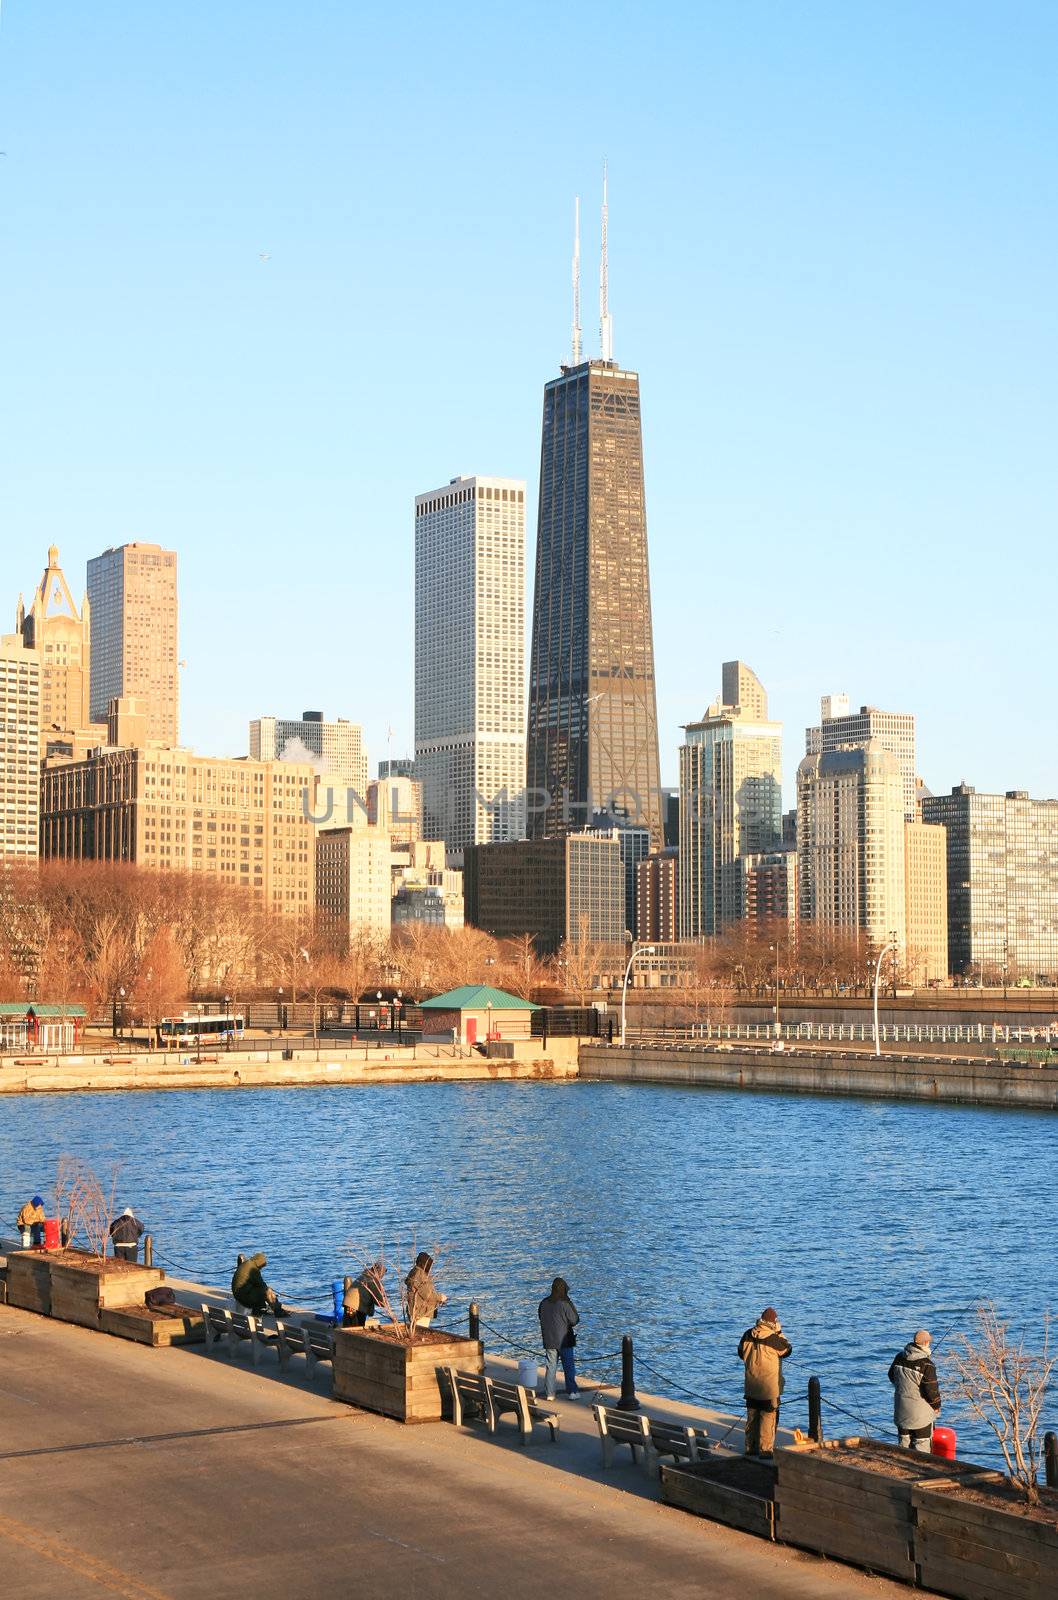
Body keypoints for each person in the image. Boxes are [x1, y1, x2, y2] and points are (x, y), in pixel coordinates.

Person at [738, 1306, 792, 1457]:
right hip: (769, 1388)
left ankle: (750, 1448)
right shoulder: (773, 1338)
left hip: (751, 1385)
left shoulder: (747, 1334)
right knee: (768, 1419)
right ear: (773, 1322)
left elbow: (740, 1353)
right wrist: (780, 1332)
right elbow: (787, 1350)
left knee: (752, 1417)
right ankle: (765, 1450)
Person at [889, 1329, 942, 1452]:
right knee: (921, 1450)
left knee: (903, 1447)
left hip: (901, 1412)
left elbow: (891, 1376)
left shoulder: (899, 1357)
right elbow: (931, 1391)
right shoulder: (927, 1365)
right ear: (926, 1343)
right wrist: (937, 1406)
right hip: (920, 1417)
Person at [538, 1277, 581, 1400]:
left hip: (549, 1340)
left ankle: (550, 1393)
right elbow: (575, 1320)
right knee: (568, 1367)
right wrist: (570, 1303)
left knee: (550, 1367)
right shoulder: (565, 1303)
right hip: (564, 1341)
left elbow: (540, 1316)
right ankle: (572, 1392)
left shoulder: (544, 1302)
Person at [231, 1251, 287, 1317]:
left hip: (238, 1294)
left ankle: (258, 1310)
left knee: (259, 1290)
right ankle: (278, 1311)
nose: (261, 1268)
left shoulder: (247, 1263)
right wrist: (271, 1292)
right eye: (261, 1266)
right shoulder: (253, 1269)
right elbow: (261, 1285)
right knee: (267, 1291)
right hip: (243, 1297)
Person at [404, 1251, 447, 1327]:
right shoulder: (420, 1275)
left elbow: (423, 1293)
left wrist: (437, 1300)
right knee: (420, 1332)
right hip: (420, 1312)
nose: (430, 1267)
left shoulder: (415, 1271)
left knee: (416, 1330)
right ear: (424, 1264)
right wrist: (440, 1297)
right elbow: (428, 1295)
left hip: (416, 1310)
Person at [343, 1261, 384, 1328]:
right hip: (356, 1307)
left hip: (348, 1304)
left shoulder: (364, 1275)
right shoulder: (372, 1280)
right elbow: (379, 1299)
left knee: (348, 1327)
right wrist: (385, 1304)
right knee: (356, 1328)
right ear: (379, 1272)